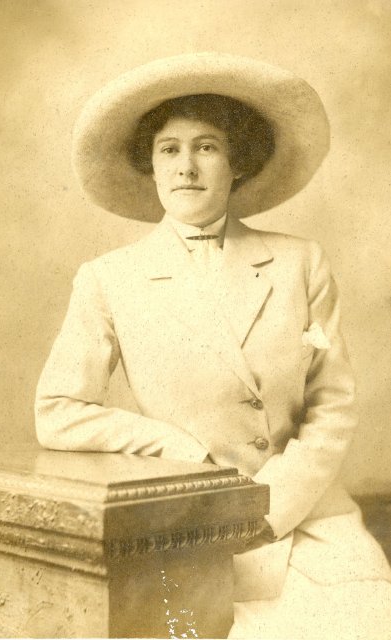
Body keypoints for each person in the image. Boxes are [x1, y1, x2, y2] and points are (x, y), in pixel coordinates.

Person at [35, 53, 391, 638]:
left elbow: (333, 403)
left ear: (237, 164)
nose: (186, 167)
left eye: (207, 147)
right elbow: (57, 411)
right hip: (193, 526)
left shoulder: (300, 263)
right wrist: (177, 446)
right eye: (168, 150)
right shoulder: (109, 278)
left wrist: (276, 502)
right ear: (152, 167)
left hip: (307, 516)